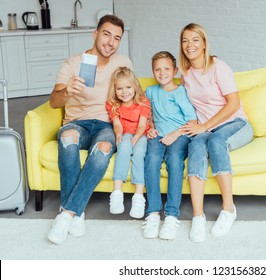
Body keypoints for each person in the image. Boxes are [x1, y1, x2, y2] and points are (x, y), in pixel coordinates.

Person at [47, 15, 133, 245]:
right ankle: (77, 212)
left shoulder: (122, 62)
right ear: (95, 34)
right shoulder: (73, 63)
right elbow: (54, 102)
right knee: (67, 137)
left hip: (106, 124)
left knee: (103, 148)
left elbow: (132, 96)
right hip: (77, 123)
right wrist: (68, 92)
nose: (110, 42)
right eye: (106, 34)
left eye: (116, 38)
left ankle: (67, 214)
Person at [179, 23, 254, 242]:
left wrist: (204, 126)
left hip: (235, 123)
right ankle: (198, 216)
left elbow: (233, 104)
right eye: (185, 40)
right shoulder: (185, 73)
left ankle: (229, 209)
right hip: (206, 128)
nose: (190, 45)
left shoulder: (218, 66)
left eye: (195, 40)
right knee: (196, 147)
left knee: (216, 141)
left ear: (204, 44)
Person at [142, 51, 197, 240]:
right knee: (151, 159)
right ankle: (153, 213)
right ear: (153, 72)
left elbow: (192, 119)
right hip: (158, 136)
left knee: (174, 161)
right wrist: (149, 128)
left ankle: (172, 214)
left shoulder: (180, 91)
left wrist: (176, 134)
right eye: (157, 69)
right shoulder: (150, 92)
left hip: (180, 135)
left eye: (166, 69)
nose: (162, 72)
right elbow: (146, 115)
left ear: (174, 71)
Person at [106, 67, 150, 218]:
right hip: (125, 133)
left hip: (141, 134)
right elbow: (117, 124)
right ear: (115, 90)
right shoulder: (113, 104)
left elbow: (143, 125)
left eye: (128, 87)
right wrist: (118, 134)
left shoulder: (143, 102)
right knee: (124, 147)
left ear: (135, 87)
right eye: (120, 88)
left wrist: (136, 137)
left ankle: (138, 197)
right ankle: (117, 192)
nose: (124, 92)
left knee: (138, 153)